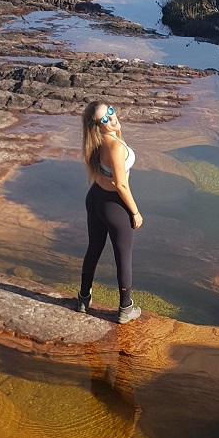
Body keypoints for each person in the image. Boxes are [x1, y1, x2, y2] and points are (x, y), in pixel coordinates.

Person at [77, 101, 143, 323]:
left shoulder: (96, 142)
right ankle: (126, 309)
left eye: (111, 112)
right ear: (97, 125)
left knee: (94, 249)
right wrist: (135, 212)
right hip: (114, 206)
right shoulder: (115, 146)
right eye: (104, 118)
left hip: (95, 198)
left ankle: (83, 299)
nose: (112, 118)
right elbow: (121, 185)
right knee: (124, 257)